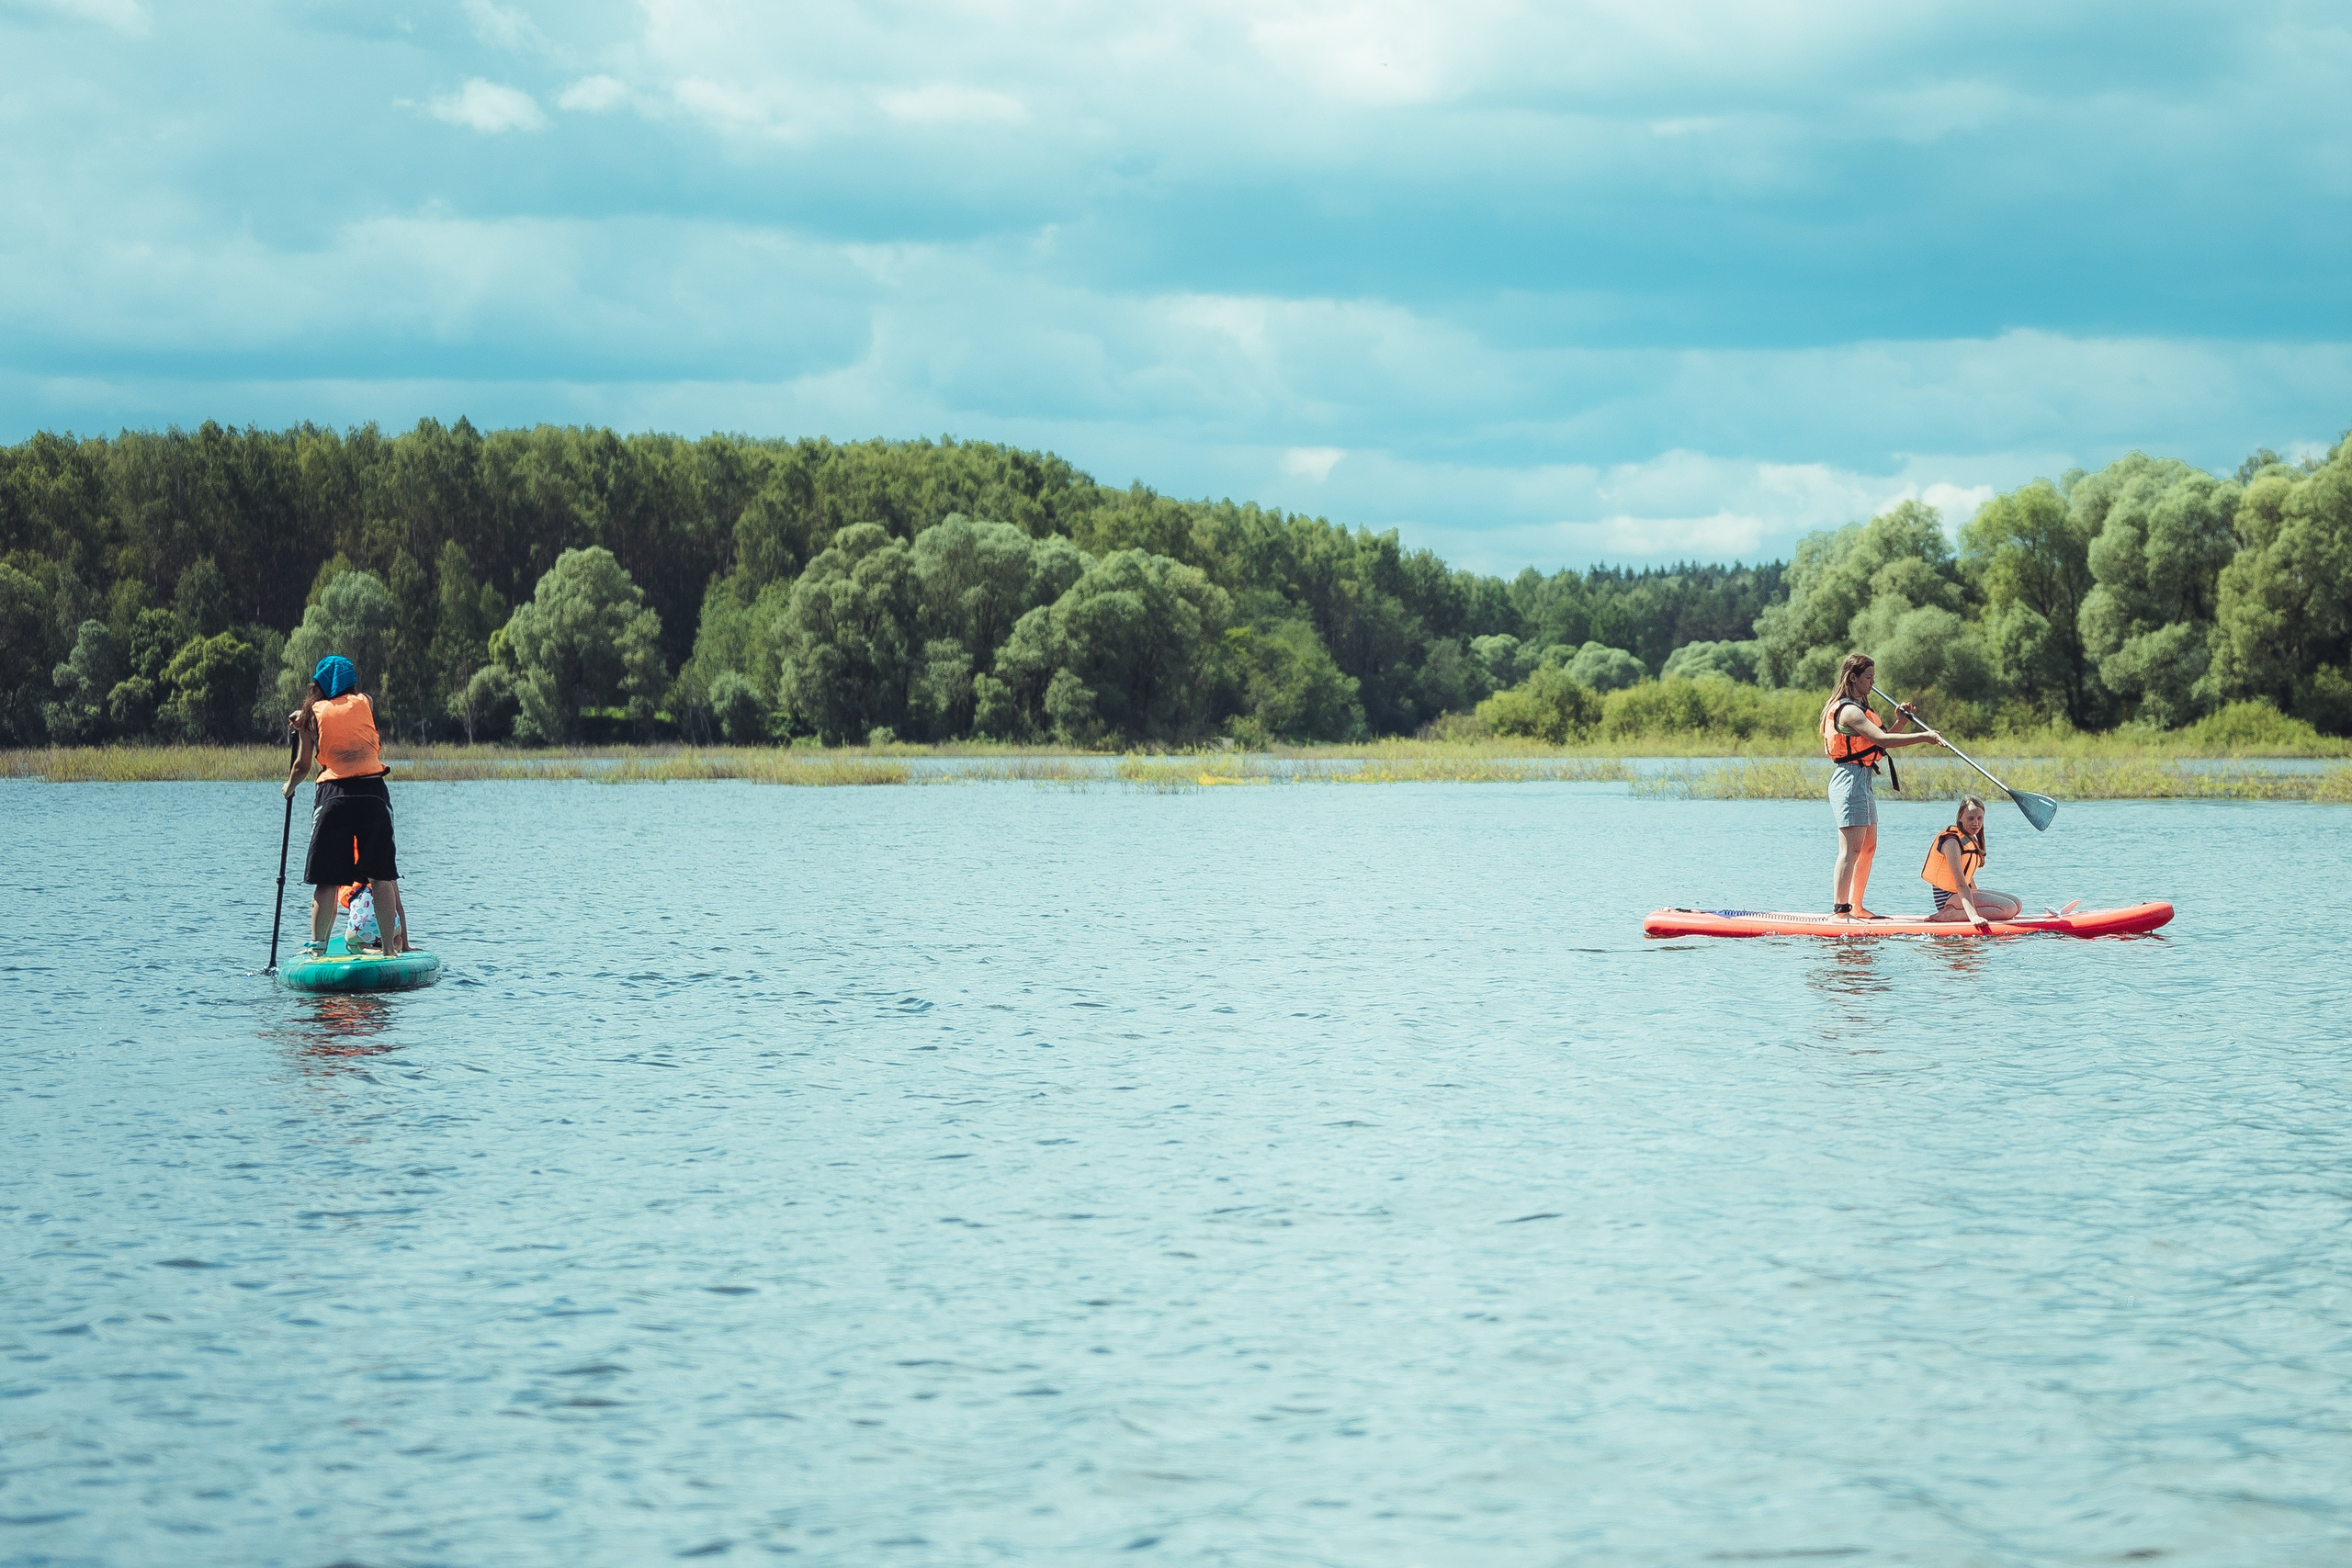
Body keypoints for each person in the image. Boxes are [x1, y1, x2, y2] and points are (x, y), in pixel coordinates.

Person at [283, 655, 411, 957]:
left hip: (334, 796)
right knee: (380, 875)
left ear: (320, 686)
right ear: (352, 683)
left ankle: (318, 950)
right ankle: (390, 953)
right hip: (373, 795)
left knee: (327, 879)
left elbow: (302, 767)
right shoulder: (365, 701)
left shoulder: (311, 713)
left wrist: (288, 788)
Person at [1821, 651, 1943, 919]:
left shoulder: (1861, 707)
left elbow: (1879, 740)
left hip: (1863, 780)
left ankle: (1857, 906)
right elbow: (1883, 741)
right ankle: (1841, 912)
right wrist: (1924, 736)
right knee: (1850, 849)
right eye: (1868, 678)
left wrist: (1901, 721)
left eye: (1874, 678)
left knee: (1868, 848)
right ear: (1852, 678)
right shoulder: (1850, 711)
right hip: (1849, 780)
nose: (1872, 684)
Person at [1921, 794, 2022, 928]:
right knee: (2008, 908)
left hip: (1960, 895)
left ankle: (1959, 912)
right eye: (1970, 818)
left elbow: (1969, 879)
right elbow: (1961, 884)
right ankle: (1949, 915)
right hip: (1947, 899)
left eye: (1980, 818)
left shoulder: (1968, 840)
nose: (1976, 823)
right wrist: (1973, 915)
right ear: (1960, 818)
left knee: (2017, 904)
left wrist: (1983, 904)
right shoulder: (1952, 843)